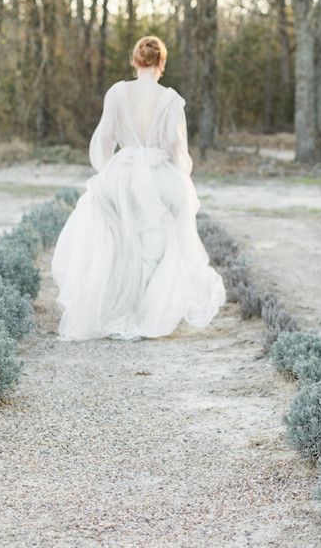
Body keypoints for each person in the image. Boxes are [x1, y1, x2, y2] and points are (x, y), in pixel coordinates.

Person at [51, 35, 226, 341]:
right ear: (162, 63)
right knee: (158, 241)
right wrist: (181, 172)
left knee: (118, 241)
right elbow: (175, 145)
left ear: (134, 61)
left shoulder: (117, 92)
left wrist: (109, 170)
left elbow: (104, 137)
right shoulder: (170, 98)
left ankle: (116, 306)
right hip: (158, 173)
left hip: (125, 170)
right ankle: (146, 310)